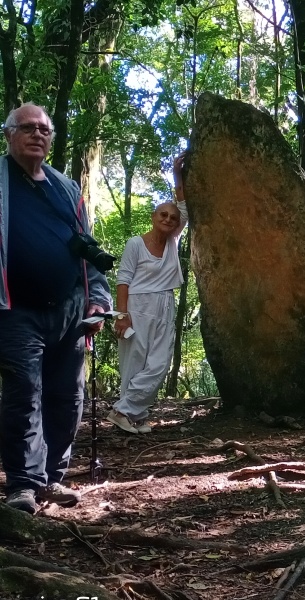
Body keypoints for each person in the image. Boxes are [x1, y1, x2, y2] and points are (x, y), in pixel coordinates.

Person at [0, 103, 112, 514]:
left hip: (70, 310)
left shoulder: (65, 189)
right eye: (27, 128)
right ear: (9, 134)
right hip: (14, 309)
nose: (37, 135)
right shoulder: (0, 182)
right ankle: (23, 484)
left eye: (44, 129)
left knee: (68, 396)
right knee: (24, 391)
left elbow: (88, 250)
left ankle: (50, 478)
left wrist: (98, 298)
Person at [106, 154, 188, 434]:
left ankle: (128, 410)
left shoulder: (173, 242)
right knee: (134, 361)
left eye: (172, 217)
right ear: (153, 217)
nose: (168, 218)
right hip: (137, 305)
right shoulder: (135, 244)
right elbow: (123, 280)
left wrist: (178, 176)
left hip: (165, 302)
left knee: (159, 363)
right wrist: (122, 315)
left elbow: (184, 207)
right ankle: (129, 413)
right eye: (163, 214)